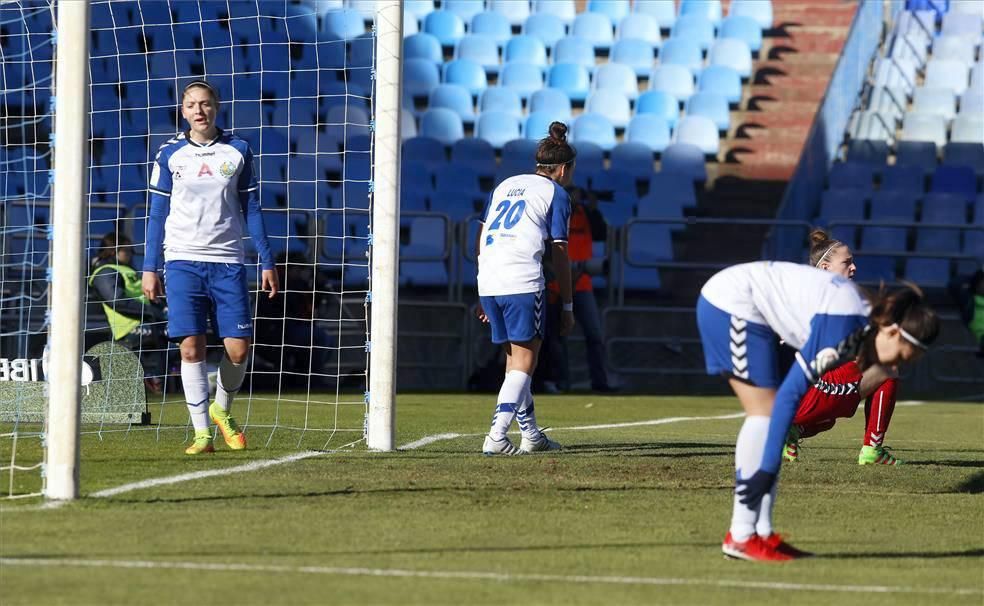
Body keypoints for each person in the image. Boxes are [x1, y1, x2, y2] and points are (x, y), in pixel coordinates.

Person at [696, 260, 939, 561]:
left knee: (768, 413)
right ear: (891, 332)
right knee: (765, 412)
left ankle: (761, 533)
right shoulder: (845, 327)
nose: (893, 367)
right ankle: (742, 535)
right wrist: (768, 466)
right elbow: (790, 397)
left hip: (750, 309)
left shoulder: (861, 322)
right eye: (901, 357)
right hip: (731, 303)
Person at [142, 80, 279, 455]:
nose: (199, 110)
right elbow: (156, 214)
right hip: (182, 259)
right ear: (183, 111)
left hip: (228, 260)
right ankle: (202, 434)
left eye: (205, 103)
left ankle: (222, 408)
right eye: (191, 105)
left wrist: (266, 260)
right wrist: (149, 267)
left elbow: (252, 208)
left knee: (237, 350)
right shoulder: (169, 154)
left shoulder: (238, 150)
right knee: (191, 348)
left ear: (216, 108)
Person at [475, 121, 575, 455]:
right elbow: (559, 250)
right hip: (522, 279)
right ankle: (497, 436)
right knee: (525, 362)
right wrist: (568, 305)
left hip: (489, 278)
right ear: (563, 169)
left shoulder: (505, 185)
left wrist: (484, 286)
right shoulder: (556, 194)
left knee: (513, 362)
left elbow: (481, 235)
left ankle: (531, 435)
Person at [784, 229, 907, 465]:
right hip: (819, 388)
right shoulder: (831, 297)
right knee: (888, 367)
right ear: (825, 268)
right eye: (847, 262)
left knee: (827, 421)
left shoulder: (808, 294)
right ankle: (872, 449)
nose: (854, 268)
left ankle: (789, 431)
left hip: (803, 393)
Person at [541, 186, 617, 393]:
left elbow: (601, 232)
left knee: (594, 334)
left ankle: (600, 383)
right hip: (557, 284)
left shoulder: (586, 215)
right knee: (557, 337)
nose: (574, 203)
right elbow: (546, 250)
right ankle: (561, 382)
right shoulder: (551, 215)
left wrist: (593, 208)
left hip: (582, 282)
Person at [89, 231, 168, 393]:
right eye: (128, 250)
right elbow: (117, 301)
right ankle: (154, 382)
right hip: (129, 327)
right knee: (171, 340)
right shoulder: (106, 271)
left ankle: (159, 382)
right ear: (114, 250)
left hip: (148, 320)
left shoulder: (126, 269)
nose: (131, 254)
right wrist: (154, 311)